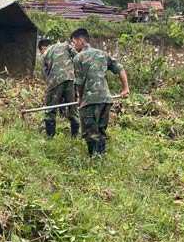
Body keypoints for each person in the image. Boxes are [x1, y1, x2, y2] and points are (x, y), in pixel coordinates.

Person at [71, 28, 130, 156]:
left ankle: (93, 159)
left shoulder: (78, 58)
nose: (74, 46)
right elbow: (120, 68)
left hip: (90, 101)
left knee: (90, 133)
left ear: (81, 41)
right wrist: (125, 88)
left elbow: (79, 83)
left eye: (74, 42)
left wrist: (80, 98)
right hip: (106, 99)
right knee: (101, 130)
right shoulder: (103, 54)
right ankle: (101, 156)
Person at [38, 38, 79, 138]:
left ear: (43, 48)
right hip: (70, 79)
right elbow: (77, 57)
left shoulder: (45, 54)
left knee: (50, 109)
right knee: (73, 108)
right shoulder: (64, 45)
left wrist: (50, 89)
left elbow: (45, 74)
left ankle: (50, 137)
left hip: (55, 81)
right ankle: (74, 136)